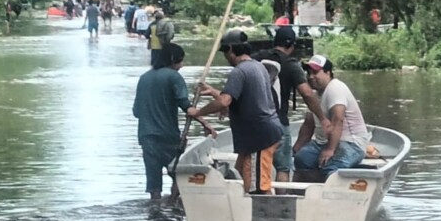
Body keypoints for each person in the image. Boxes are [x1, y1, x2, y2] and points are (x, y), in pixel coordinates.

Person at [188, 29, 282, 195]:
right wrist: (215, 93)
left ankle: (261, 209)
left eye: (225, 52)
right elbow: (244, 97)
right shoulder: (258, 66)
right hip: (264, 132)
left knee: (258, 187)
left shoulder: (239, 71)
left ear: (231, 50)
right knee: (242, 168)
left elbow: (225, 101)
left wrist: (198, 112)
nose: (226, 57)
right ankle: (247, 204)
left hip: (260, 137)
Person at [132, 43, 217, 200]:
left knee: (154, 185)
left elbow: (136, 112)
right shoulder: (173, 77)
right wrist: (206, 124)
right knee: (179, 176)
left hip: (147, 138)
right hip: (168, 137)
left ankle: (156, 209)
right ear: (173, 60)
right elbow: (187, 107)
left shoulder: (144, 78)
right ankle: (173, 206)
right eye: (181, 61)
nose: (182, 65)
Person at [257, 26, 328, 181]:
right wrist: (322, 118)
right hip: (278, 122)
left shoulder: (257, 59)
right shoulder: (290, 65)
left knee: (256, 161)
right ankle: (282, 194)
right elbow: (307, 93)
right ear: (291, 46)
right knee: (283, 167)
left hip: (256, 121)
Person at [293, 55, 370, 176]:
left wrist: (330, 149)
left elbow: (338, 120)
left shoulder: (335, 88)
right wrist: (295, 150)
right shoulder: (314, 94)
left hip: (351, 143)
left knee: (331, 167)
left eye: (315, 72)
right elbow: (308, 125)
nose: (311, 77)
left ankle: (331, 185)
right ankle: (311, 186)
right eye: (309, 73)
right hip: (322, 143)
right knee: (301, 159)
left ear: (328, 73)